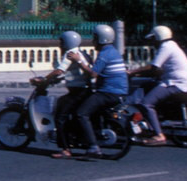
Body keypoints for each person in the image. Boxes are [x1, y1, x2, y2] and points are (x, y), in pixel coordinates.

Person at [66, 24, 128, 159]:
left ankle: (93, 147)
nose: (93, 41)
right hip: (119, 91)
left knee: (81, 113)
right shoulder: (114, 51)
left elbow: (93, 74)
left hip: (108, 92)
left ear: (101, 39)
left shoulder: (104, 54)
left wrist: (79, 61)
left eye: (95, 38)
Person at [128, 25, 187, 147]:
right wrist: (141, 74)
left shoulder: (166, 46)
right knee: (148, 85)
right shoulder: (172, 45)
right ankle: (152, 125)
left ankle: (159, 135)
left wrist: (132, 72)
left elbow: (154, 67)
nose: (152, 42)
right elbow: (159, 70)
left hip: (175, 83)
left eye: (153, 39)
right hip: (176, 81)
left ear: (157, 37)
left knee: (146, 103)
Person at [46, 30, 91, 159]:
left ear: (67, 42)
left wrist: (44, 79)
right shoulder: (82, 53)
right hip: (86, 90)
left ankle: (65, 149)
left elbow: (59, 70)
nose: (60, 44)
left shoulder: (70, 53)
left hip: (77, 91)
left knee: (59, 116)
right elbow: (73, 72)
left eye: (61, 41)